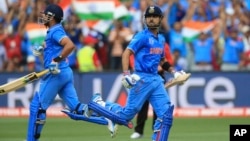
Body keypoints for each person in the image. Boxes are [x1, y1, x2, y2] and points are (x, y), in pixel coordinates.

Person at [87, 5, 187, 141]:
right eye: (149, 17)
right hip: (142, 79)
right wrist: (126, 74)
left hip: (156, 80)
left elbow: (162, 60)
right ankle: (98, 103)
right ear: (145, 19)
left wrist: (174, 72)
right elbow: (126, 53)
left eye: (154, 17)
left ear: (160, 19)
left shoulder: (160, 40)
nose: (151, 19)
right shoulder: (142, 36)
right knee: (125, 116)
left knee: (166, 117)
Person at [26, 4, 115, 141]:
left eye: (46, 14)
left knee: (37, 107)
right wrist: (42, 48)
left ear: (52, 17)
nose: (42, 16)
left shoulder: (55, 31)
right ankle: (106, 117)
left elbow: (70, 45)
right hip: (65, 72)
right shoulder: (54, 31)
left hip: (56, 74)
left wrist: (56, 60)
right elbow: (53, 45)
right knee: (78, 108)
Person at [130, 43, 173, 139]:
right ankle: (139, 131)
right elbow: (134, 59)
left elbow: (168, 59)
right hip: (144, 78)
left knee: (158, 106)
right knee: (142, 105)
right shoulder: (143, 43)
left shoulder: (163, 45)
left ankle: (156, 131)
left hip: (159, 76)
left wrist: (161, 67)